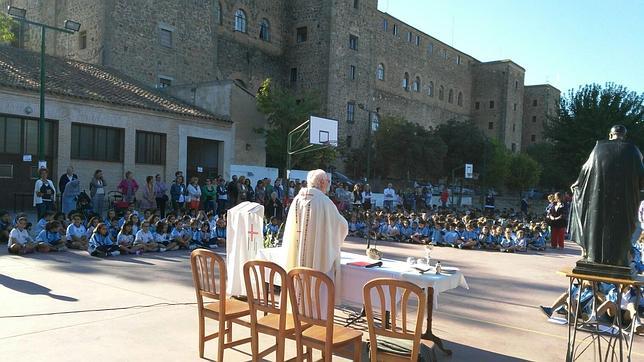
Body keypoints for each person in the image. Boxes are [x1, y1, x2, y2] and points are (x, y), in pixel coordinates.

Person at [570, 125, 644, 271]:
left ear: (610, 135)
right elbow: (642, 178)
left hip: (599, 201)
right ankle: (619, 259)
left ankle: (594, 256)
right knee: (622, 228)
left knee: (596, 226)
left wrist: (577, 185)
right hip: (624, 202)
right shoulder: (633, 150)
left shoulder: (599, 148)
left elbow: (586, 169)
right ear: (624, 135)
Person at [283, 169, 348, 304]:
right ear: (322, 182)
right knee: (318, 283)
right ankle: (315, 316)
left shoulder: (297, 199)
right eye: (328, 181)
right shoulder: (324, 201)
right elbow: (341, 226)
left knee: (298, 280)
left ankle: (296, 311)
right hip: (317, 255)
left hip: (297, 251)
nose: (329, 184)